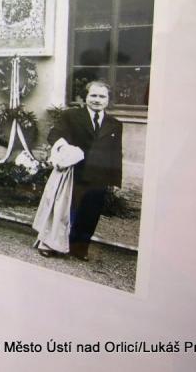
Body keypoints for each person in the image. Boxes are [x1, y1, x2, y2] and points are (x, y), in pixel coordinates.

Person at [46, 81, 123, 261]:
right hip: (73, 173)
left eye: (102, 96)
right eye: (93, 95)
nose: (97, 100)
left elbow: (116, 153)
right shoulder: (71, 116)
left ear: (108, 100)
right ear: (85, 97)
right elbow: (54, 135)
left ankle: (79, 248)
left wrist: (115, 180)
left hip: (99, 177)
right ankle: (52, 245)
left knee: (90, 214)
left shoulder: (115, 124)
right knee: (64, 211)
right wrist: (64, 149)